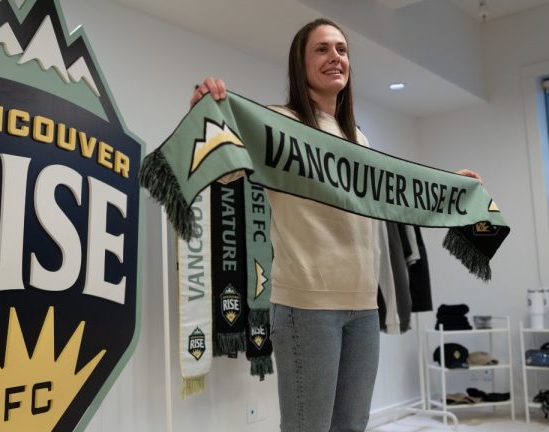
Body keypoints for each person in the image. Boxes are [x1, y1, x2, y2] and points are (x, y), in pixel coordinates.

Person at [189, 18, 482, 432]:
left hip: (363, 307)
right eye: (322, 49)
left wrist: (454, 189)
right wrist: (206, 115)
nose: (335, 57)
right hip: (306, 307)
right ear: (300, 62)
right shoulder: (278, 123)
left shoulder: (357, 139)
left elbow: (396, 196)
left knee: (352, 425)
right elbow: (224, 173)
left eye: (342, 49)